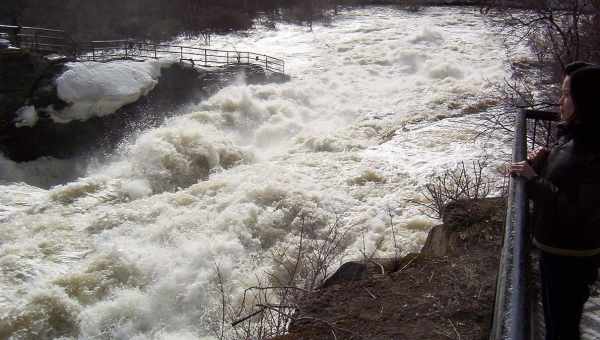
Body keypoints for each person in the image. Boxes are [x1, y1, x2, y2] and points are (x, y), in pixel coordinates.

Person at [510, 63, 600, 340]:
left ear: (586, 100)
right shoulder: (576, 134)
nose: (560, 101)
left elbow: (575, 211)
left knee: (561, 328)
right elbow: (569, 180)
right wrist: (546, 160)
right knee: (558, 321)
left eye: (566, 95)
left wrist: (533, 178)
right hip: (560, 253)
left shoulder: (592, 149)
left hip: (569, 258)